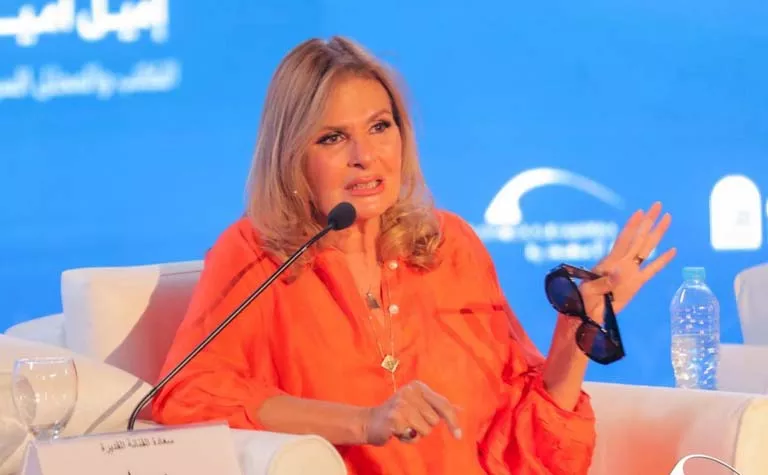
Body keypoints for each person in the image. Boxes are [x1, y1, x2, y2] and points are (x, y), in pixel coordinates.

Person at [151, 36, 676, 475]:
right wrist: (363, 422)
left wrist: (577, 330)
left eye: (380, 127)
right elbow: (187, 394)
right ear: (291, 157)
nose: (366, 157)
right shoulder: (258, 254)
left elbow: (525, 450)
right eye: (333, 138)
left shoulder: (450, 244)